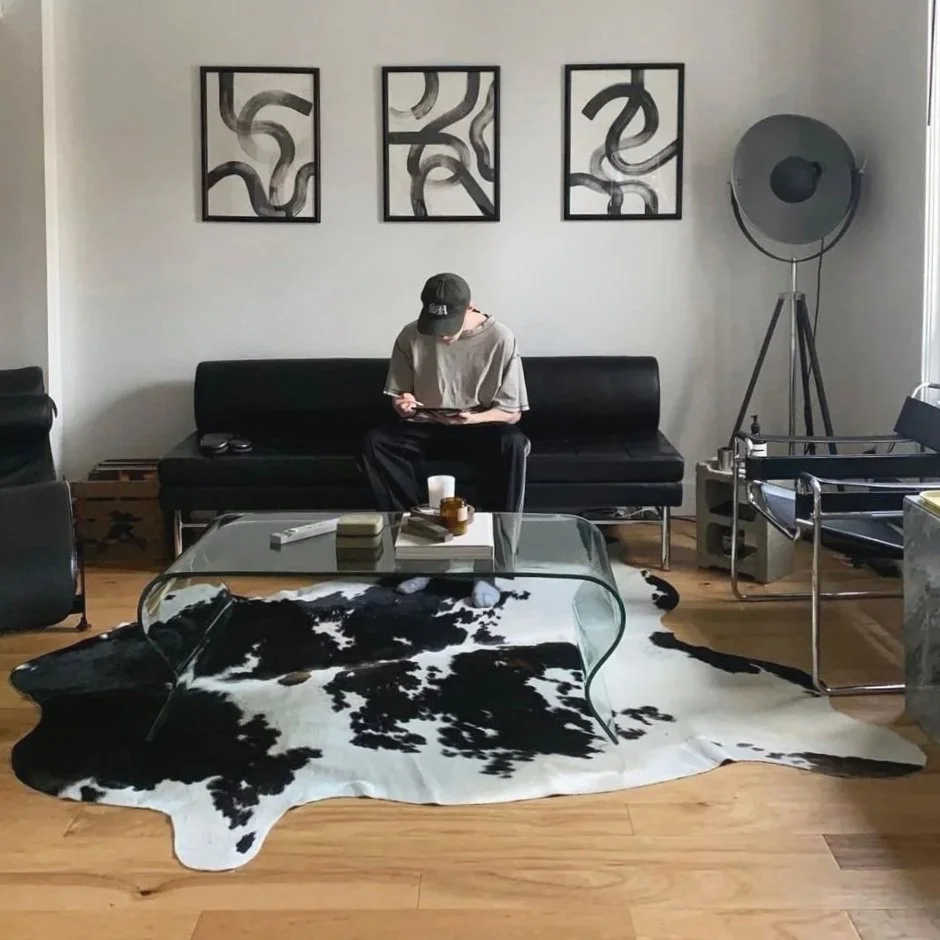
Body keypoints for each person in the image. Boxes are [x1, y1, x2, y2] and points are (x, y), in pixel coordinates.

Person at [360, 272, 530, 608]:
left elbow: (512, 413)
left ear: (470, 308)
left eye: (450, 326)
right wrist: (404, 405)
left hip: (481, 424)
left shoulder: (501, 338)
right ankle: (420, 556)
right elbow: (400, 397)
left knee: (512, 445)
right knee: (376, 442)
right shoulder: (411, 335)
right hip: (428, 424)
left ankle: (489, 569)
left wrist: (474, 418)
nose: (443, 337)